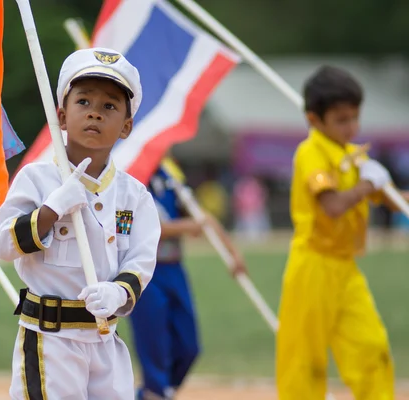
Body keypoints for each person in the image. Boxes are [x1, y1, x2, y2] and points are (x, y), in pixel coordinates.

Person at [0, 47, 161, 399]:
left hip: (104, 340)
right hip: (50, 341)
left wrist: (119, 291)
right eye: (83, 102)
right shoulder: (37, 179)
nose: (95, 115)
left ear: (126, 126)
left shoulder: (134, 197)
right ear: (62, 116)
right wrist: (51, 210)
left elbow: (140, 260)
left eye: (110, 107)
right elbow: (5, 244)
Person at [276, 65, 406, 399]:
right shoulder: (312, 152)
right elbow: (332, 205)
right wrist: (367, 184)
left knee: (370, 346)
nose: (351, 127)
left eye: (354, 117)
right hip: (313, 267)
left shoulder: (353, 156)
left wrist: (382, 187)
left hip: (346, 269)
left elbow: (390, 199)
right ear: (315, 120)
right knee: (305, 360)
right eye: (341, 120)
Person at [130, 156, 247, 400]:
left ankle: (156, 393)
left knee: (188, 346)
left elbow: (198, 215)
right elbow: (128, 226)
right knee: (154, 348)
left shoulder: (169, 173)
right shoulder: (127, 175)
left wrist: (232, 251)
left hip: (174, 269)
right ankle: (155, 391)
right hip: (143, 274)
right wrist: (184, 227)